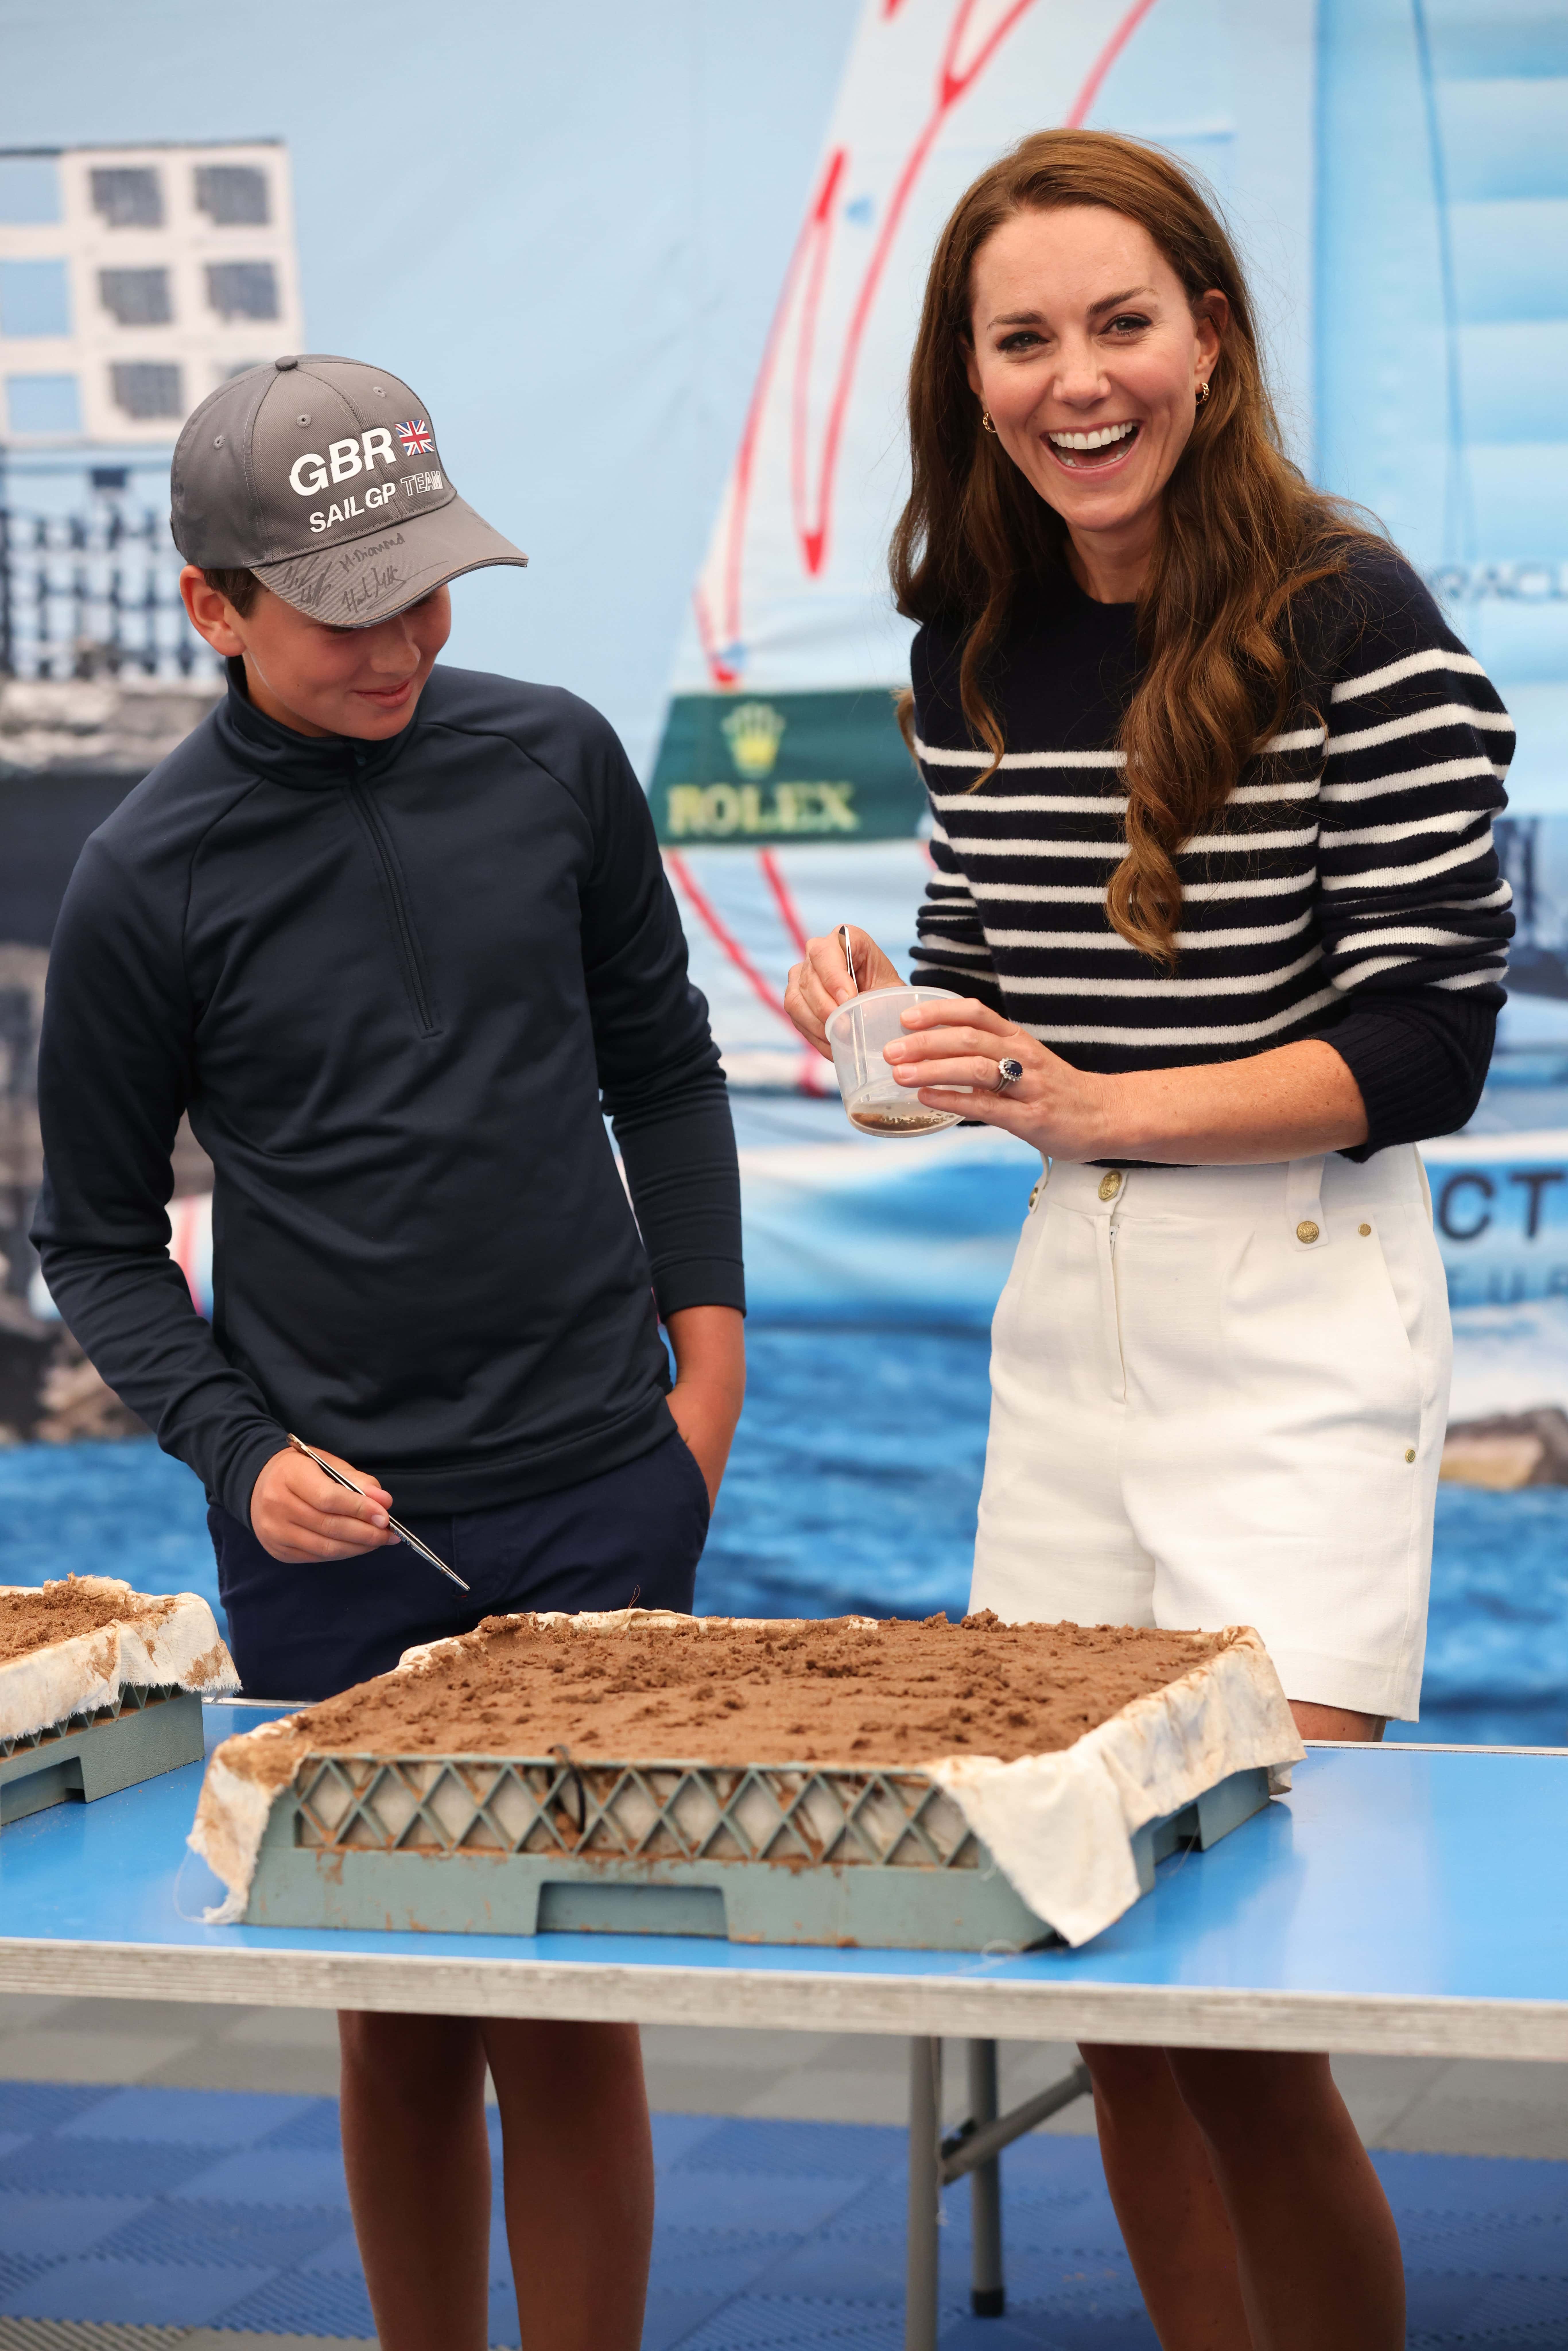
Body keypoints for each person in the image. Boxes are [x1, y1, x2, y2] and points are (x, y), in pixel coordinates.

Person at [785, 132, 1512, 2351]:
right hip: (1065, 1336)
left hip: (1297, 1325)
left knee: (1254, 1992)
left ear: (1211, 334)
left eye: (1122, 325)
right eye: (1025, 339)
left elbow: (1421, 1044)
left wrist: (1096, 1104)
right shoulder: (966, 645)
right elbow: (975, 985)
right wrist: (881, 1044)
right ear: (969, 374)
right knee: (1110, 1973)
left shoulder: (1350, 616)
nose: (1076, 380)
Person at [32, 353, 746, 2351]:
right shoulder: (143, 880)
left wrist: (705, 1388)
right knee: (409, 2015)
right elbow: (87, 1234)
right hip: (332, 1540)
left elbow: (666, 1076)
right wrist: (233, 1451)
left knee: (571, 2011)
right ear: (213, 605)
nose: (406, 644)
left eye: (431, 592)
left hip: (612, 1483)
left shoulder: (556, 760)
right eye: (351, 612)